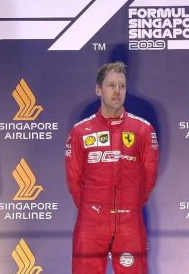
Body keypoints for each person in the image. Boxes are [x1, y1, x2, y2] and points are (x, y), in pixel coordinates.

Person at [65, 61, 159, 273]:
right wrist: (95, 209)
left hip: (129, 222)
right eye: (111, 85)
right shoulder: (80, 132)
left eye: (122, 86)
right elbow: (74, 181)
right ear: (98, 89)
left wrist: (129, 206)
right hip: (91, 223)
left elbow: (149, 177)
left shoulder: (143, 130)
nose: (117, 91)